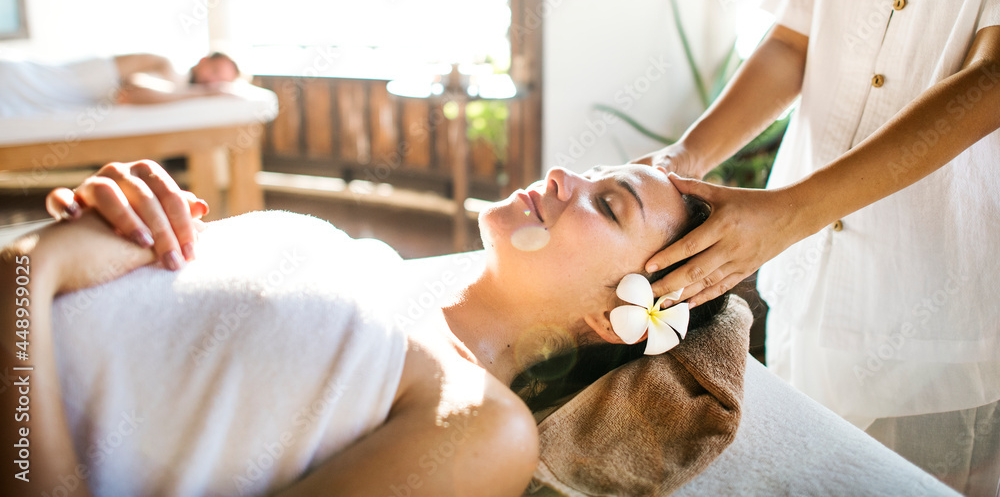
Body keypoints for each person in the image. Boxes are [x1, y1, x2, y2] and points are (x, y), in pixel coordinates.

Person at [634, 0, 1000, 493]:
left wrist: (786, 214)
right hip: (812, 289)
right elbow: (791, 42)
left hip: (943, 299)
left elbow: (992, 79)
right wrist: (683, 157)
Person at [0, 159, 725, 496]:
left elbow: (28, 280)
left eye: (610, 204)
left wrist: (23, 285)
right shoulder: (355, 258)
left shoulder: (481, 422)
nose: (565, 174)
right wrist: (107, 213)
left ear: (616, 317)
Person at [0, 51, 242, 117]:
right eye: (215, 71)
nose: (213, 82)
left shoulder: (176, 83)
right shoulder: (168, 67)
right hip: (24, 80)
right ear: (202, 61)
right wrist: (205, 94)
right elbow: (130, 94)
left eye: (221, 81)